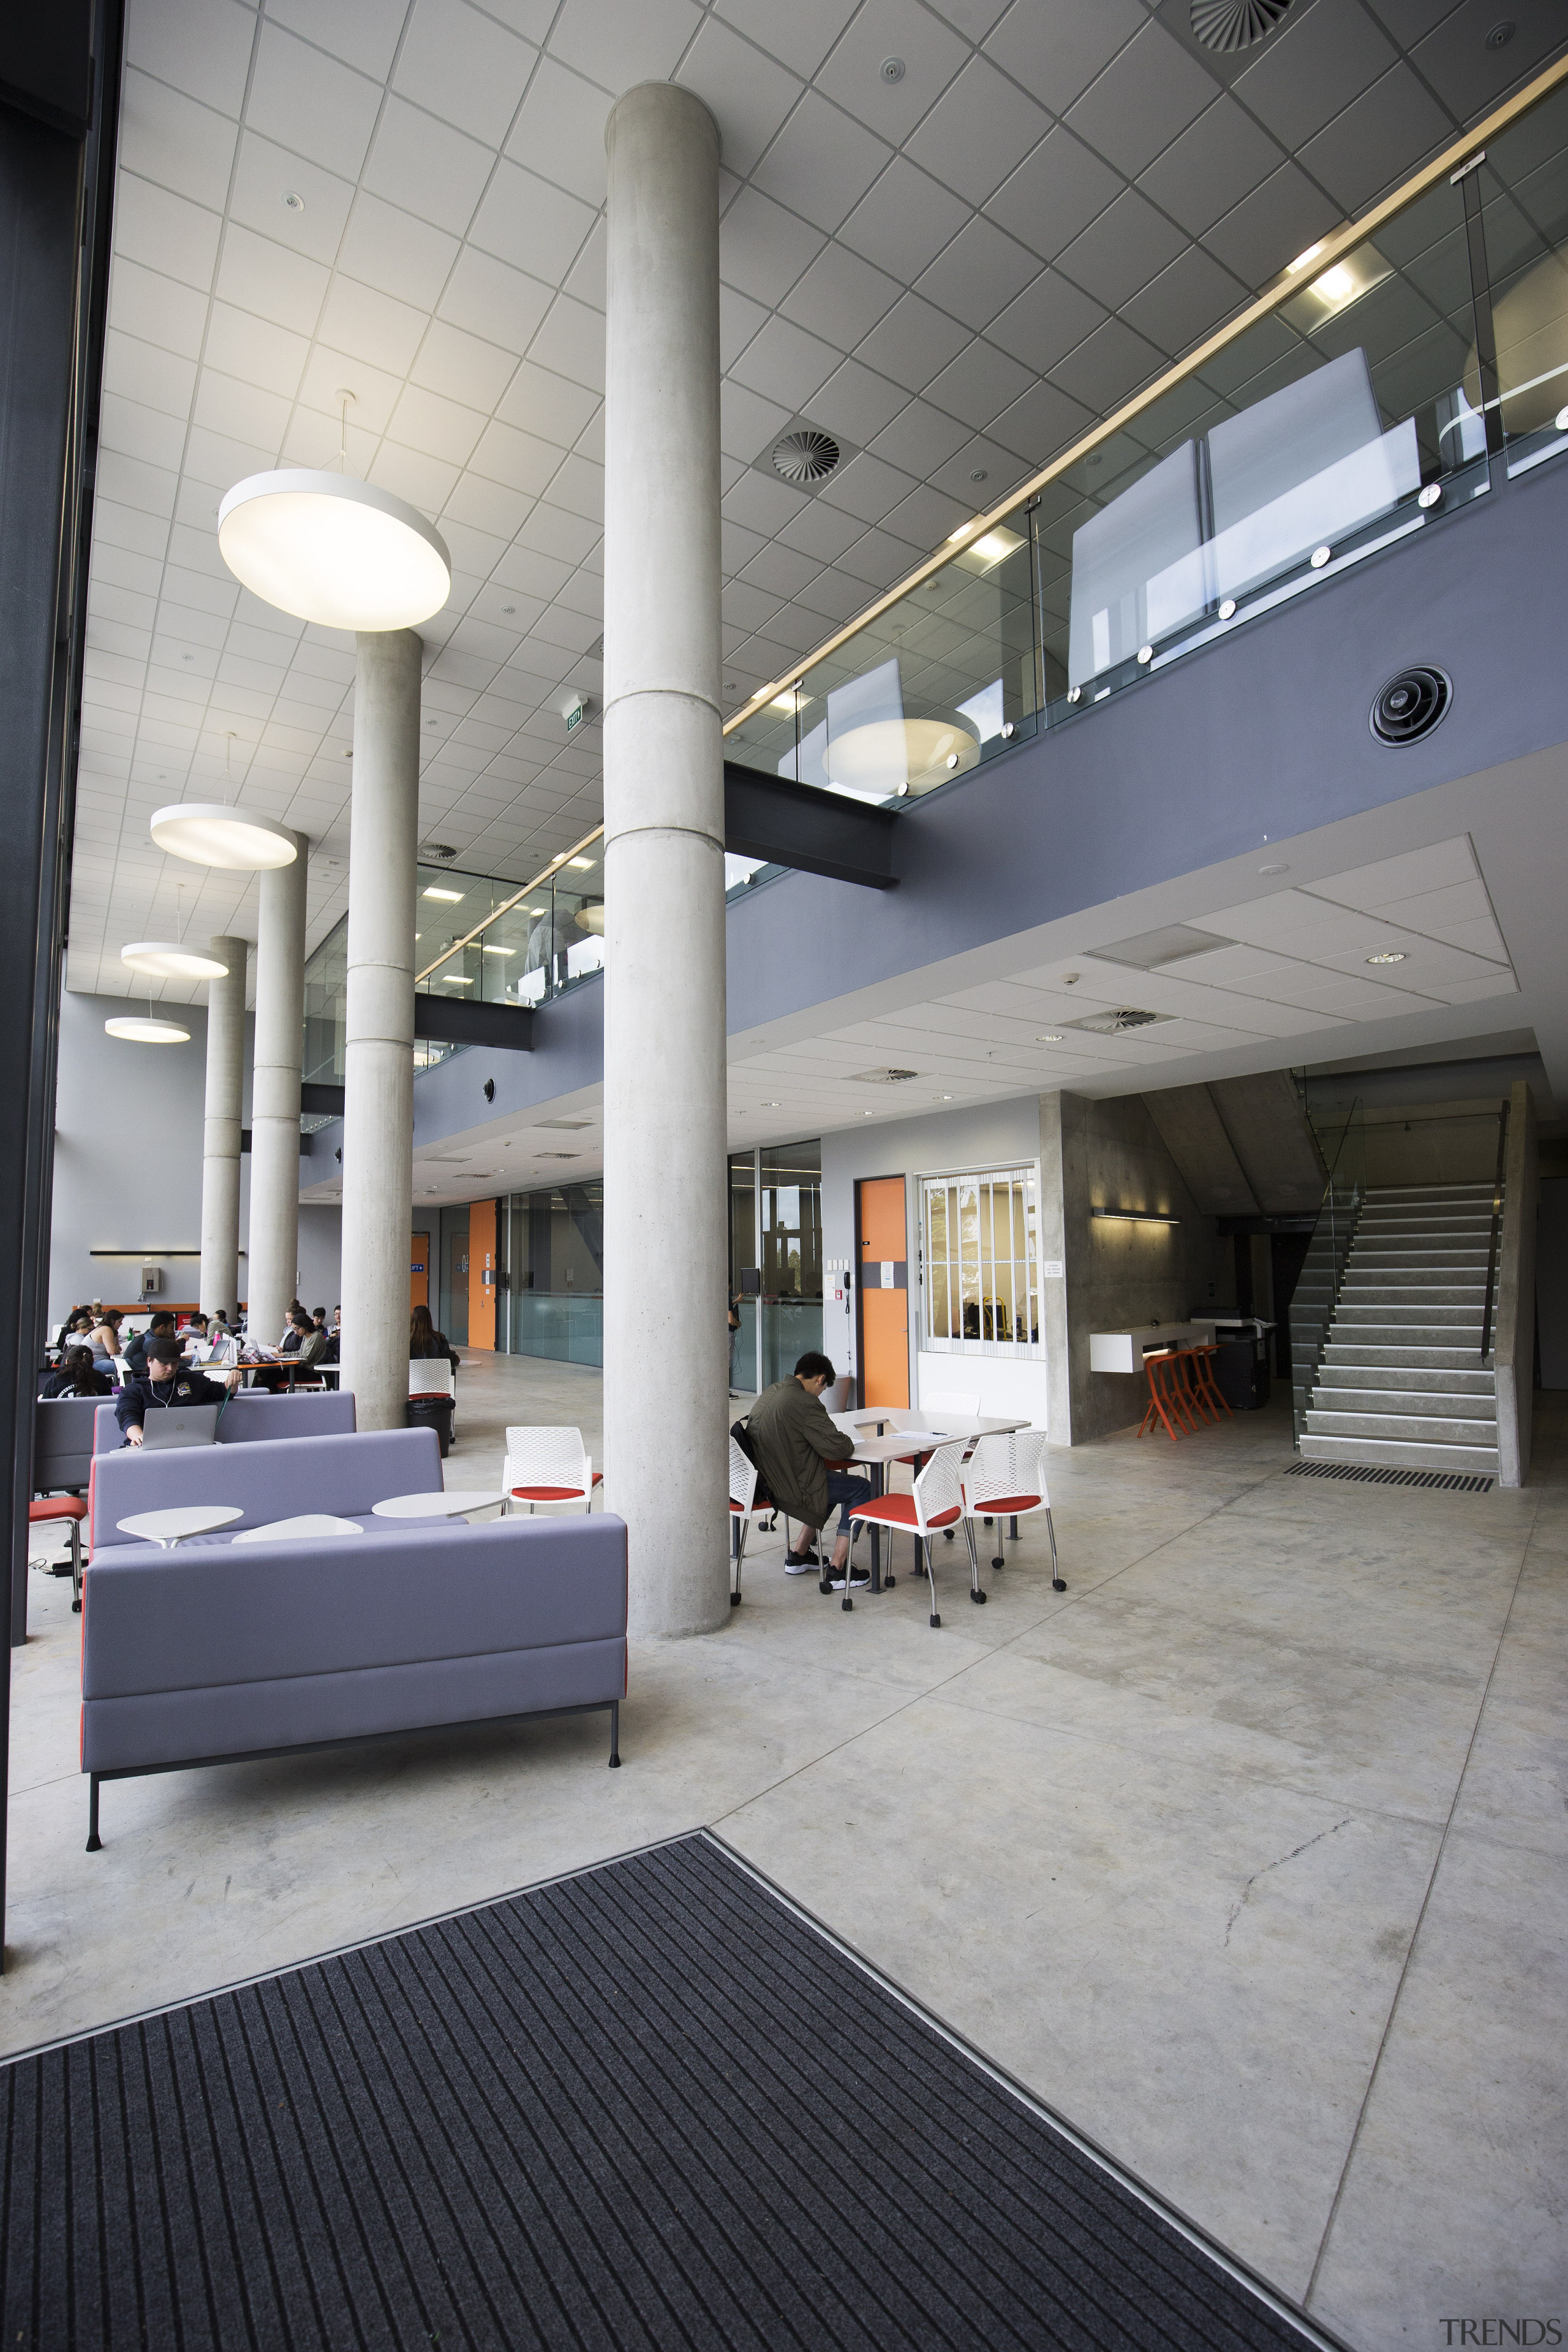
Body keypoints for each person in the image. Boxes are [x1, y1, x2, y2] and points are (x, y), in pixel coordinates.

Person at [745, 1350, 872, 1589]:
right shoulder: (805, 1402)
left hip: (767, 1482)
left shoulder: (772, 1391)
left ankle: (799, 1555)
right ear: (820, 1379)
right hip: (790, 1486)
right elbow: (837, 1448)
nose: (820, 1394)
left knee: (827, 1482)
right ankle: (838, 1568)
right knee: (861, 1489)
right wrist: (845, 1439)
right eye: (823, 1390)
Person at [115, 1331, 239, 1444]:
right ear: (149, 1361)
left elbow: (223, 1392)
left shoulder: (191, 1379)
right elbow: (127, 1416)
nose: (170, 1369)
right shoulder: (134, 1390)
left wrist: (232, 1380)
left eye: (174, 1364)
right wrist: (138, 1436)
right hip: (146, 1446)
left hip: (190, 1445)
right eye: (164, 1364)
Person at [40, 1346, 111, 1400]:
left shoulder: (54, 1381)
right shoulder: (100, 1378)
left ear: (67, 1362)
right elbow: (108, 1403)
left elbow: (45, 1407)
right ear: (91, 1361)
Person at [123, 1311, 175, 1379]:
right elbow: (169, 1359)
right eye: (171, 1327)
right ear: (162, 1327)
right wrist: (181, 1341)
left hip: (135, 1373)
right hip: (141, 1376)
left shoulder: (146, 1337)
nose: (172, 1331)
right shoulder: (151, 1342)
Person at [410, 1302, 458, 1374]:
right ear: (429, 1320)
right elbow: (449, 1360)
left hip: (414, 1383)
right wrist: (456, 1358)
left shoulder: (408, 1341)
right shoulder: (439, 1338)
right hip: (437, 1383)